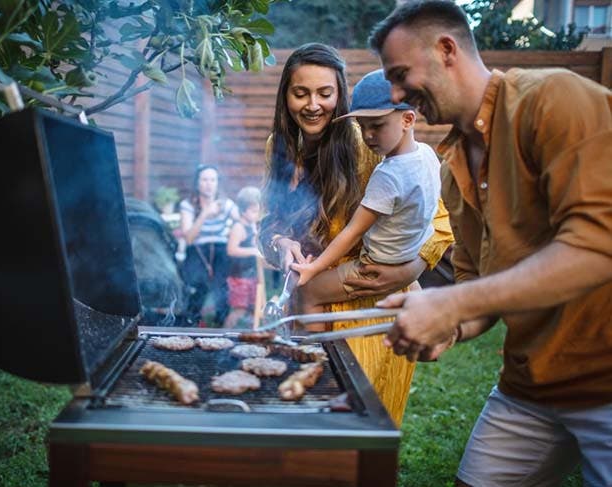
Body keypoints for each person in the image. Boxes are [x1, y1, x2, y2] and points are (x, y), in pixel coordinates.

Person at [368, 1, 612, 485]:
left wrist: (452, 303)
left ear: (446, 49)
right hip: (530, 386)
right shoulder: (451, 169)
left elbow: (597, 246)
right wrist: (451, 325)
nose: (397, 94)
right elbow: (479, 283)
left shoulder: (553, 99)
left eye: (400, 75)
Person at [258, 42, 454, 426]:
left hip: (368, 307)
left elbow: (438, 220)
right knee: (309, 420)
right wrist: (280, 244)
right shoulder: (276, 147)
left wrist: (410, 268)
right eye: (301, 93)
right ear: (286, 97)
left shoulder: (367, 139)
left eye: (324, 93)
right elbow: (268, 223)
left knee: (361, 427)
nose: (313, 105)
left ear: (340, 95)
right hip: (305, 305)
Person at [291, 69, 441, 317]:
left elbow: (353, 231)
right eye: (362, 126)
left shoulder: (388, 175)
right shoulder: (427, 154)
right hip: (410, 253)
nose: (368, 135)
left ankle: (315, 352)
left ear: (408, 119)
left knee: (307, 293)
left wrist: (314, 267)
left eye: (377, 125)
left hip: (374, 266)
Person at [179, 164, 239, 326]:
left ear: (217, 182)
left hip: (220, 248)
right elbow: (189, 238)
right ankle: (191, 321)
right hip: (197, 249)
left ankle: (221, 322)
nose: (209, 184)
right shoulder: (188, 205)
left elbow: (243, 221)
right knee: (198, 285)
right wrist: (205, 214)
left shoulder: (226, 204)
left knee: (221, 285)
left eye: (213, 180)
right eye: (204, 179)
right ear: (197, 183)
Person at [224, 186, 262, 328]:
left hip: (251, 275)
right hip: (239, 277)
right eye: (253, 211)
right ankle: (223, 335)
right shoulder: (238, 227)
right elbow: (231, 250)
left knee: (253, 308)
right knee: (239, 310)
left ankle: (252, 335)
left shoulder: (252, 225)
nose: (257, 214)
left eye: (258, 211)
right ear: (243, 211)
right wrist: (253, 251)